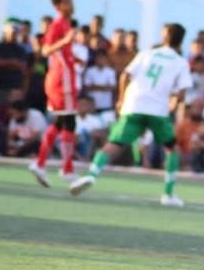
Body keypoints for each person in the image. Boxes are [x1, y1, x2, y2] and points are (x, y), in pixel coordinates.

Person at [69, 24, 192, 207]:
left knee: (114, 143)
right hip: (157, 109)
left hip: (134, 104)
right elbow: (181, 95)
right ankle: (168, 194)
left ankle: (91, 174)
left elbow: (125, 75)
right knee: (171, 148)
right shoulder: (180, 62)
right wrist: (173, 103)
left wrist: (120, 100)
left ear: (164, 36)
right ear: (181, 41)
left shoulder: (146, 53)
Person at [29, 0, 78, 186]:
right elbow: (46, 50)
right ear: (58, 6)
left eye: (71, 1)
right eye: (66, 2)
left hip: (63, 78)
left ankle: (40, 163)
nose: (71, 5)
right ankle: (67, 169)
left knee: (60, 122)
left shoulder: (66, 23)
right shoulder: (58, 24)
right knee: (69, 122)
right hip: (61, 80)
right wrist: (65, 41)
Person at [0, 20, 28, 106]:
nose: (13, 35)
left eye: (15, 33)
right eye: (11, 32)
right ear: (5, 32)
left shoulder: (20, 49)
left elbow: (22, 66)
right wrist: (13, 62)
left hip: (14, 88)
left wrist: (4, 62)